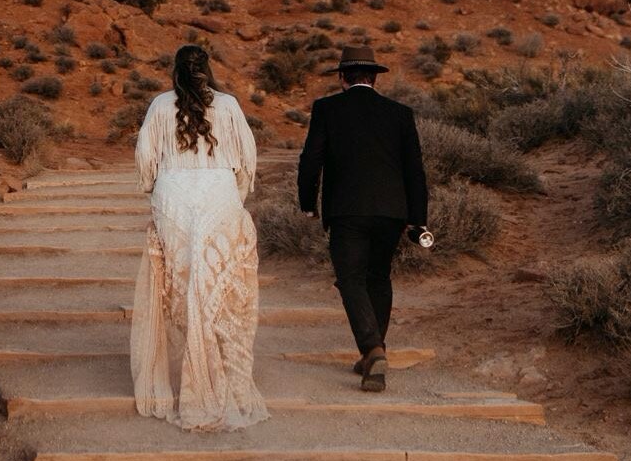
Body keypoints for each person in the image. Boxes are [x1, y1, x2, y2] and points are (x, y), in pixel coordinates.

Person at [130, 44, 269, 431]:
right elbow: (248, 157)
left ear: (175, 72)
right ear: (207, 69)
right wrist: (234, 196)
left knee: (180, 286)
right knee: (217, 285)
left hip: (173, 197)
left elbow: (145, 159)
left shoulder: (160, 106)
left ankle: (188, 371)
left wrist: (154, 189)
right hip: (219, 196)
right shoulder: (227, 105)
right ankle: (215, 367)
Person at [296, 45, 429, 393]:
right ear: (373, 78)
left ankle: (372, 349)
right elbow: (415, 170)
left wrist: (307, 203)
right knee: (378, 278)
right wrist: (418, 219)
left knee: (350, 279)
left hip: (347, 210)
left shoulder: (327, 109)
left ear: (342, 78)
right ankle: (373, 356)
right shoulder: (399, 112)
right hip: (392, 211)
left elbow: (312, 159)